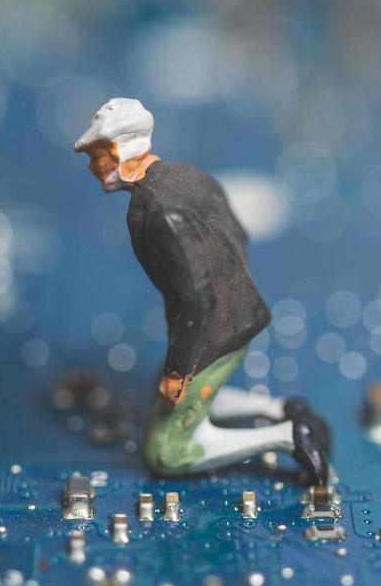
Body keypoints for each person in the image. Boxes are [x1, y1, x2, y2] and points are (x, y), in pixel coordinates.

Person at [74, 97, 331, 484]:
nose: (94, 169)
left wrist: (179, 370)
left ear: (117, 152)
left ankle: (288, 436)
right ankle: (281, 409)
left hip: (214, 335)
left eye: (97, 157)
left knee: (166, 453)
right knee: (173, 400)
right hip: (237, 317)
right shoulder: (188, 174)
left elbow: (197, 297)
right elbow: (238, 234)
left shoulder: (157, 213)